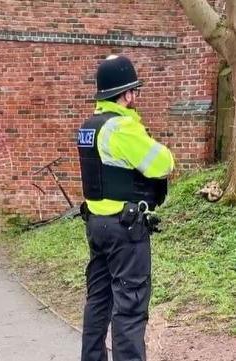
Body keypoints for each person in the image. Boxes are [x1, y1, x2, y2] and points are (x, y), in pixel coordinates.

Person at [77, 55, 175, 361]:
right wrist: (140, 131)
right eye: (134, 91)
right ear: (126, 94)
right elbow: (163, 163)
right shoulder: (121, 128)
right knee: (130, 309)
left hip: (97, 225)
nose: (136, 97)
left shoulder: (89, 127)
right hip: (125, 229)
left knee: (98, 301)